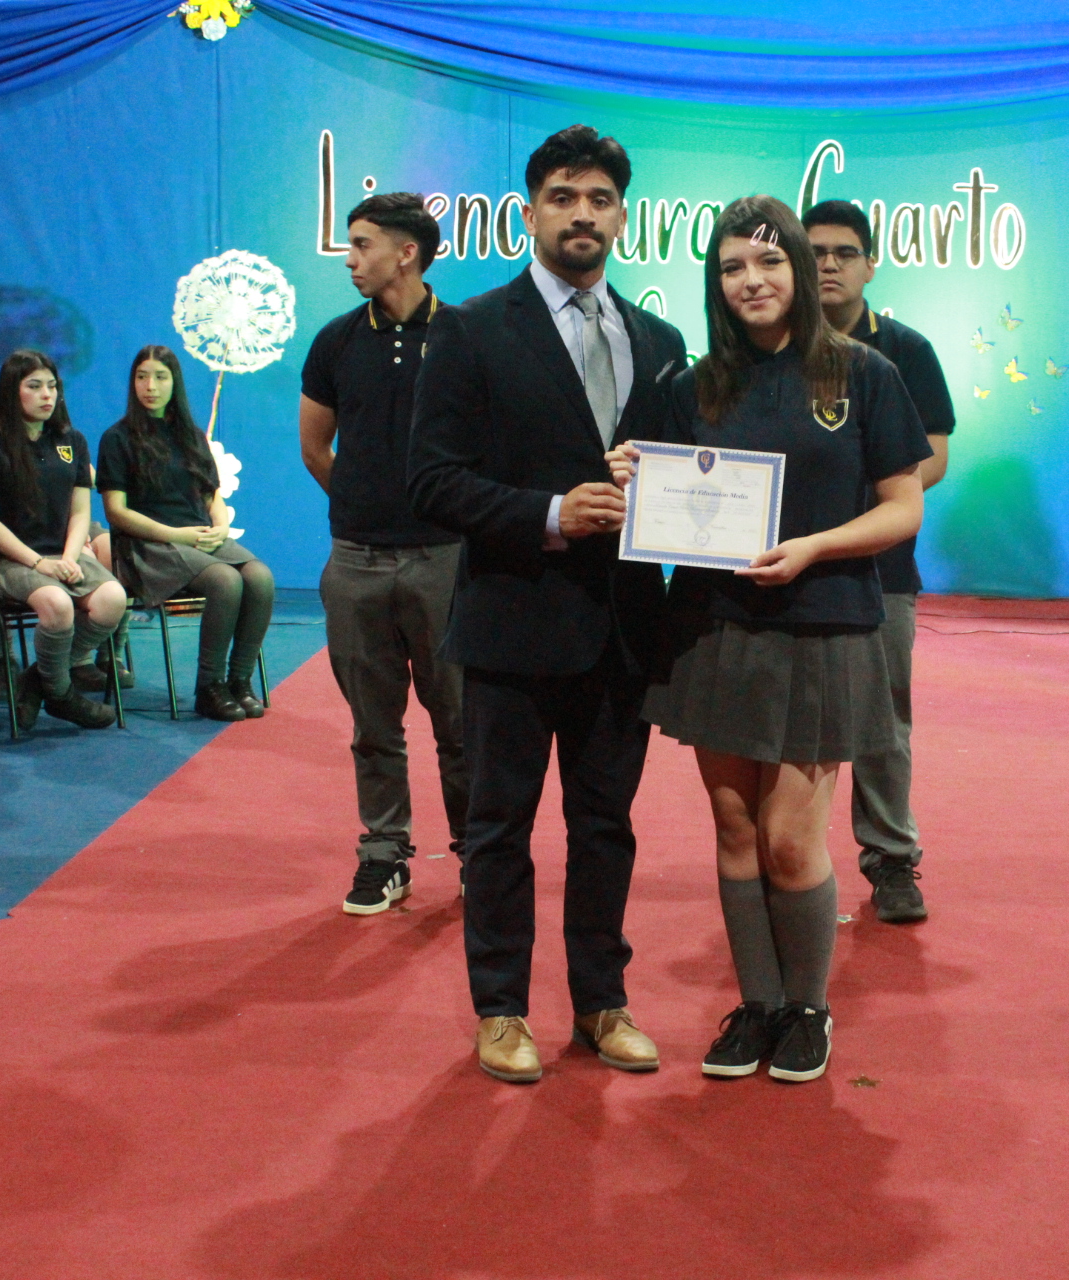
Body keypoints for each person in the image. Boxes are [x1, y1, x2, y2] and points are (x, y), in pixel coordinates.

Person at [612, 195, 930, 1084]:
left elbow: (903, 506)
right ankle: (756, 1006)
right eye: (731, 268)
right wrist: (630, 473)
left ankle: (807, 1008)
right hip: (713, 627)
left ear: (798, 265)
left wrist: (814, 549)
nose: (750, 281)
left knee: (791, 837)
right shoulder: (690, 387)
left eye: (768, 262)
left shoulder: (863, 374)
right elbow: (659, 500)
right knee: (733, 825)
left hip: (825, 625)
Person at [409, 125, 687, 1084]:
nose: (582, 214)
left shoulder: (661, 342)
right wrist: (551, 515)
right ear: (530, 212)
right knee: (500, 831)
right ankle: (501, 1010)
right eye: (563, 197)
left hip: (623, 633)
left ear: (622, 216)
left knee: (606, 829)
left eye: (599, 199)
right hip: (511, 624)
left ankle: (603, 1002)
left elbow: (683, 482)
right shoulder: (471, 329)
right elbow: (431, 483)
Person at [300, 191, 470, 915]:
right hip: (355, 560)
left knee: (460, 721)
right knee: (374, 726)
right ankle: (383, 853)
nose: (349, 258)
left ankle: (477, 852)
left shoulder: (466, 336)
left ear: (407, 253)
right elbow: (316, 448)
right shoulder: (335, 341)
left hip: (447, 560)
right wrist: (368, 504)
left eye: (362, 244)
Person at [803, 199, 953, 925]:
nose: (828, 264)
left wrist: (863, 509)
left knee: (884, 722)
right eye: (814, 252)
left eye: (844, 252)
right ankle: (785, 861)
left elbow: (936, 458)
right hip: (785, 568)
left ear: (870, 265)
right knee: (789, 722)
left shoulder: (906, 351)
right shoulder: (769, 348)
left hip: (882, 570)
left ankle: (891, 859)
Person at [99, 345, 272, 721]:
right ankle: (209, 687)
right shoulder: (117, 438)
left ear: (174, 383)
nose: (150, 386)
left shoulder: (191, 435)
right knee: (226, 580)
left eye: (160, 377)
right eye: (142, 377)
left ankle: (239, 681)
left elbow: (212, 496)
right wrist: (177, 536)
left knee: (260, 577)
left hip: (197, 538)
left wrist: (221, 528)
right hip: (147, 545)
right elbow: (116, 512)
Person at [0, 349, 124, 732]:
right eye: (34, 386)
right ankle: (60, 694)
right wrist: (39, 564)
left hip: (59, 553)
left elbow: (80, 512)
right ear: (11, 391)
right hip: (1, 560)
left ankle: (38, 680)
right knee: (57, 604)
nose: (47, 395)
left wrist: (69, 557)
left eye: (52, 386)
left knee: (113, 599)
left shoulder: (72, 440)